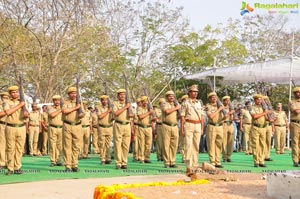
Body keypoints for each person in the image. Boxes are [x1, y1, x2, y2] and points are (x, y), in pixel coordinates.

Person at [4, 85, 29, 175]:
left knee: (19, 148)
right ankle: (10, 168)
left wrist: (26, 112)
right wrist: (20, 105)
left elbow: (27, 115)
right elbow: (8, 112)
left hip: (21, 127)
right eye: (13, 92)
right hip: (11, 127)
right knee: (10, 148)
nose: (15, 94)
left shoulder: (23, 103)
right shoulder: (6, 102)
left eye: (17, 92)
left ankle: (17, 167)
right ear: (10, 94)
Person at [180, 85, 204, 175]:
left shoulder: (199, 103)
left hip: (197, 124)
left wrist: (202, 128)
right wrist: (182, 129)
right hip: (189, 124)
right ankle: (189, 166)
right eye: (193, 91)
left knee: (196, 145)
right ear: (189, 93)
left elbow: (202, 116)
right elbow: (182, 117)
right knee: (188, 145)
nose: (195, 93)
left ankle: (195, 164)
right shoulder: (185, 103)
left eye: (196, 92)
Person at [62, 86, 84, 172]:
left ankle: (75, 164)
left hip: (77, 126)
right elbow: (64, 111)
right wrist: (75, 108)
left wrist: (81, 113)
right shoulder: (65, 102)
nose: (74, 95)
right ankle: (68, 165)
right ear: (69, 94)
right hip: (67, 125)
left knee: (76, 146)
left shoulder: (79, 103)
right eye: (72, 93)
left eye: (75, 93)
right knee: (67, 146)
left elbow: (82, 114)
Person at [112, 89, 133, 169]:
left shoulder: (129, 104)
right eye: (120, 94)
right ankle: (118, 162)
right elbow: (116, 113)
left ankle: (124, 162)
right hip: (118, 124)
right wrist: (125, 107)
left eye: (124, 94)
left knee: (126, 145)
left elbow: (132, 115)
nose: (122, 96)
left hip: (127, 125)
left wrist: (129, 107)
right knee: (118, 144)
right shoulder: (115, 103)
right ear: (118, 96)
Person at [161, 90, 180, 168]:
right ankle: (167, 162)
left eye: (172, 96)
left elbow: (179, 116)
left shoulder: (176, 104)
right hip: (166, 126)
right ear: (166, 97)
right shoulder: (164, 104)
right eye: (169, 96)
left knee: (174, 145)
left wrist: (179, 110)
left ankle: (172, 161)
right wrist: (176, 108)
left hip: (175, 126)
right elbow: (167, 111)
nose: (171, 97)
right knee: (166, 145)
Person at [206, 92, 225, 168]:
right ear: (210, 99)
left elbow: (225, 117)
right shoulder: (208, 106)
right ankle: (212, 161)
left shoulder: (220, 106)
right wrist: (219, 109)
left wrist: (226, 113)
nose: (214, 98)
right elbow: (211, 116)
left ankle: (218, 161)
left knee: (219, 144)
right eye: (213, 97)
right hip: (212, 126)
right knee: (211, 144)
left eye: (215, 97)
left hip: (220, 126)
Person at [250, 94, 269, 167]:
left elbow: (266, 118)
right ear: (255, 100)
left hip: (263, 127)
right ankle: (256, 161)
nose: (259, 101)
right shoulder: (252, 108)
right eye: (258, 99)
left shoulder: (264, 108)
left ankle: (261, 161)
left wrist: (270, 117)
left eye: (261, 99)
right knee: (255, 145)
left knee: (262, 144)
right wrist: (264, 113)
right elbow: (254, 116)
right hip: (256, 127)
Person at [137, 96, 155, 164]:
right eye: (143, 101)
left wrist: (153, 117)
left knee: (149, 144)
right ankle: (142, 158)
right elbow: (140, 117)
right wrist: (149, 112)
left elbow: (154, 119)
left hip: (149, 127)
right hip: (141, 127)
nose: (145, 103)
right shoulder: (139, 108)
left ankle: (147, 157)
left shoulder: (150, 109)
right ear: (141, 102)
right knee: (141, 143)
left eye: (146, 101)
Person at [97, 95, 113, 165]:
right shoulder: (98, 108)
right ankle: (102, 158)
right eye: (103, 100)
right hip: (102, 128)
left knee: (108, 144)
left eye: (106, 100)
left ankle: (108, 158)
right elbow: (100, 116)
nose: (104, 101)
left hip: (109, 127)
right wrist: (108, 111)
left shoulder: (111, 108)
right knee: (102, 144)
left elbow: (113, 117)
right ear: (101, 101)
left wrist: (111, 112)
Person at [48, 95, 64, 167]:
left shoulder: (63, 108)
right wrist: (61, 110)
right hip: (53, 128)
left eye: (58, 100)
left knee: (60, 146)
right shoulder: (50, 108)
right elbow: (52, 115)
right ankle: (53, 160)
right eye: (55, 100)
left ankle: (58, 160)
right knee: (52, 145)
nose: (57, 102)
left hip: (61, 128)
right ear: (53, 101)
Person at [221, 96, 235, 162]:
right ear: (223, 101)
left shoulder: (231, 108)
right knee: (224, 141)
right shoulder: (221, 108)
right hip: (224, 124)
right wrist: (229, 113)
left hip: (231, 124)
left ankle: (229, 156)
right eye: (226, 100)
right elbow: (222, 117)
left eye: (228, 100)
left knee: (230, 141)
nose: (227, 101)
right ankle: (224, 157)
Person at [289, 86, 300, 167]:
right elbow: (296, 111)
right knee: (295, 142)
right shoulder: (292, 102)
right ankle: (295, 160)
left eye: (299, 92)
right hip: (295, 123)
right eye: (296, 92)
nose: (298, 94)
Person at [263, 96, 274, 162]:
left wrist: (273, 126)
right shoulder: (262, 108)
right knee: (263, 141)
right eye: (264, 100)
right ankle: (262, 155)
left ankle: (267, 156)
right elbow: (265, 117)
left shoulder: (270, 108)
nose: (266, 101)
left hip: (269, 125)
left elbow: (273, 116)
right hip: (264, 125)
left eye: (267, 100)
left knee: (268, 141)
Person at [0, 92, 9, 169]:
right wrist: (8, 111)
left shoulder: (10, 104)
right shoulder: (1, 104)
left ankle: (9, 161)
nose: (5, 99)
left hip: (10, 125)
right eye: (4, 97)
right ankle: (2, 162)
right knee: (2, 144)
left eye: (6, 97)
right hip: (2, 124)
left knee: (9, 145)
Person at [178, 94, 188, 163]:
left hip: (190, 125)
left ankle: (187, 157)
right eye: (185, 100)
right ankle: (184, 157)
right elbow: (180, 117)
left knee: (188, 143)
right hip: (182, 125)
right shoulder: (180, 107)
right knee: (182, 143)